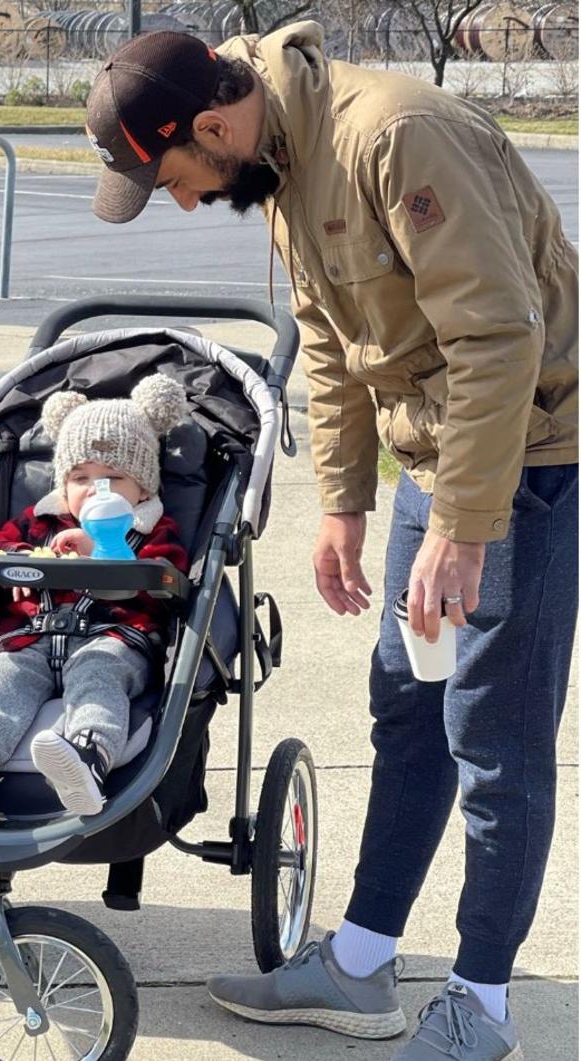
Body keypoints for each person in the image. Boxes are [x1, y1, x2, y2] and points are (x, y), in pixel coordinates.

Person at [84, 24, 577, 1061]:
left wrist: (460, 526)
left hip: (528, 459)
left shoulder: (397, 137)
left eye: (173, 176)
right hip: (437, 460)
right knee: (408, 708)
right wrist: (346, 504)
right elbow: (327, 339)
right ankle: (360, 962)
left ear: (213, 123)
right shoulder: (282, 165)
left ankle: (481, 1006)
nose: (179, 199)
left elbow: (499, 336)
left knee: (495, 741)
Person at [0, 376, 190, 818]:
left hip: (114, 640)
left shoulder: (151, 530)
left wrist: (104, 551)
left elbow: (168, 580)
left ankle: (88, 760)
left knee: (97, 676)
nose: (94, 489)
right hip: (30, 639)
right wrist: (21, 558)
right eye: (80, 477)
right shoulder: (39, 521)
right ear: (63, 482)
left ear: (143, 488)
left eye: (112, 478)